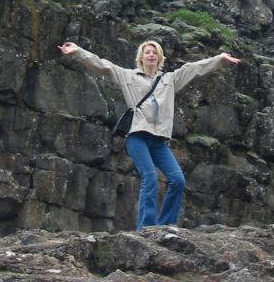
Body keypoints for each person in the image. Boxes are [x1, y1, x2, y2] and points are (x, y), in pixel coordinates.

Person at [58, 40, 240, 230]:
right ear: (141, 58)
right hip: (137, 137)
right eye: (147, 52)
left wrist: (219, 59)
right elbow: (102, 66)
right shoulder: (128, 76)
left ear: (160, 57)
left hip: (158, 141)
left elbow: (194, 69)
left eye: (154, 52)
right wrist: (77, 51)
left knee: (178, 180)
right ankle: (147, 227)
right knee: (150, 177)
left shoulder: (170, 79)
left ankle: (166, 224)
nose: (151, 55)